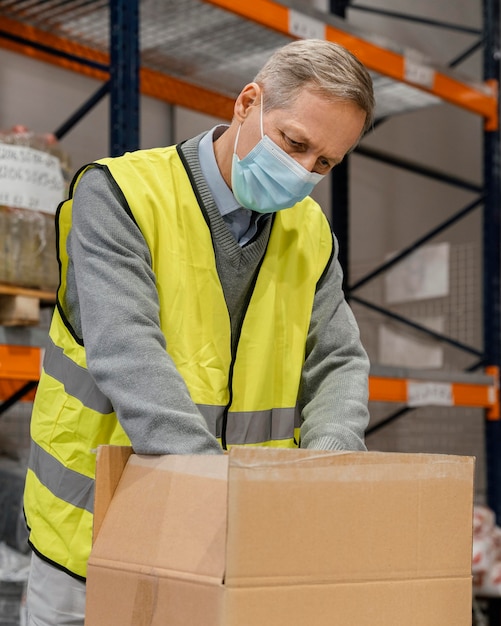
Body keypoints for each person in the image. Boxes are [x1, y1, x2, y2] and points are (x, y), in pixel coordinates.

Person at [23, 38, 375, 625]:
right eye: (295, 143)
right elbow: (127, 353)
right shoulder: (121, 195)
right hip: (96, 539)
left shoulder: (309, 233)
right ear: (247, 102)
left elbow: (338, 361)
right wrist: (218, 500)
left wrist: (327, 471)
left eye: (324, 163)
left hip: (230, 551)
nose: (303, 172)